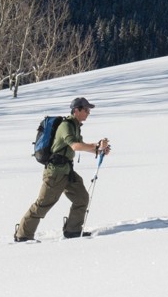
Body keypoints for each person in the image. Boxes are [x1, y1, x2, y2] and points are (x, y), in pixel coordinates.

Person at [15, 96, 110, 241]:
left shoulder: (75, 126)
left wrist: (98, 151)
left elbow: (80, 145)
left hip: (67, 171)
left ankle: (72, 230)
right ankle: (23, 235)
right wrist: (96, 146)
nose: (88, 112)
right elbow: (75, 146)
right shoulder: (66, 126)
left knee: (82, 198)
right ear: (76, 110)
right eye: (86, 109)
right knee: (43, 204)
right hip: (55, 173)